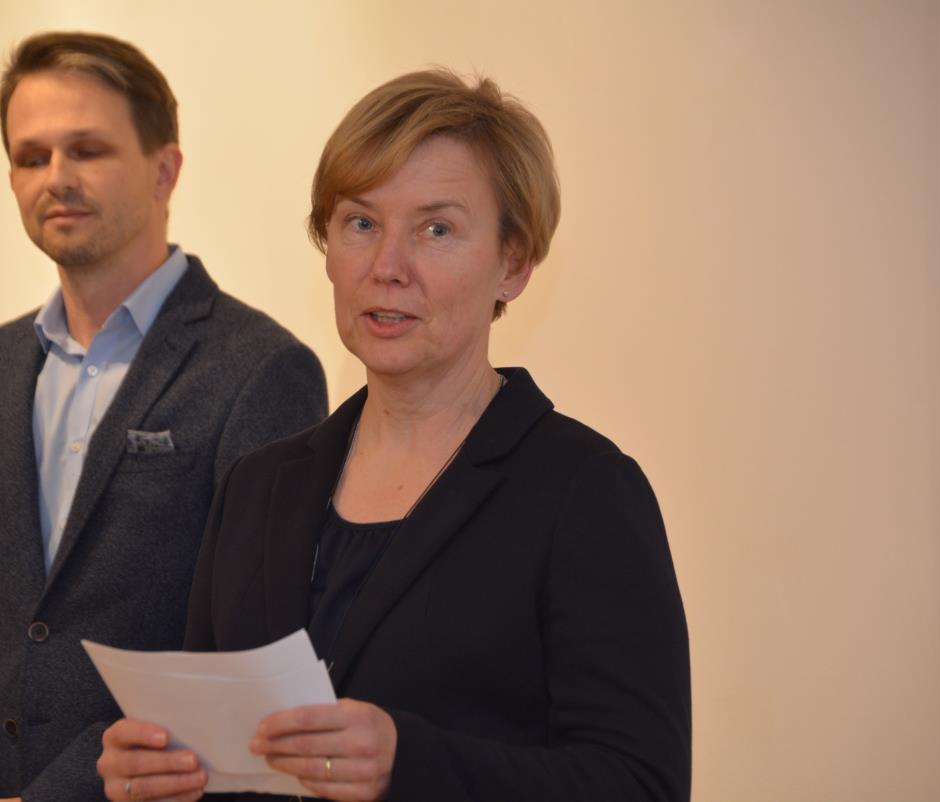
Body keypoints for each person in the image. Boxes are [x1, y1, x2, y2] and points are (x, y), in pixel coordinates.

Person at [96, 69, 691, 802]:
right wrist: (160, 775)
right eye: (361, 224)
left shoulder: (586, 491)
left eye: (436, 230)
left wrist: (409, 765)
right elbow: (224, 757)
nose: (387, 268)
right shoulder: (257, 486)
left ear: (514, 263)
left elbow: (641, 784)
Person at [0, 31, 328, 802]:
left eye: (87, 149)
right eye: (31, 157)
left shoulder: (262, 369)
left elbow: (242, 655)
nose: (56, 177)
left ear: (165, 169)